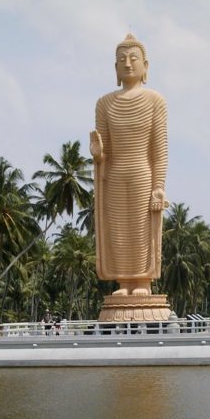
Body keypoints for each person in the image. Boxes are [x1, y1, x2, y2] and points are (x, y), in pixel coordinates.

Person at [90, 33, 168, 297]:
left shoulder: (155, 101)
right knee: (119, 231)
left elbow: (159, 150)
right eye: (121, 59)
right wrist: (98, 154)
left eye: (134, 58)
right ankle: (123, 281)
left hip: (142, 175)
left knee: (140, 229)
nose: (127, 63)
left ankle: (143, 282)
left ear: (146, 66)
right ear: (115, 68)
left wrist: (158, 186)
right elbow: (104, 151)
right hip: (114, 176)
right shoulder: (104, 104)